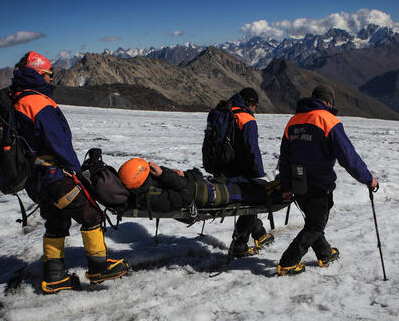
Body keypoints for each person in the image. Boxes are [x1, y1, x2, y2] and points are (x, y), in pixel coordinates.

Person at [10, 51, 129, 293]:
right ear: (37, 73)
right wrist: (76, 172)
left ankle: (54, 277)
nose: (51, 79)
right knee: (91, 215)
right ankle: (99, 267)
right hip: (55, 176)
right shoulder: (37, 101)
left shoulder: (15, 98)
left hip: (36, 179)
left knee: (56, 222)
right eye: (48, 74)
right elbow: (58, 142)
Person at [276, 85, 378, 276]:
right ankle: (288, 262)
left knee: (314, 220)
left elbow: (285, 158)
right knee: (315, 225)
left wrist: (287, 186)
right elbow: (348, 156)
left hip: (299, 182)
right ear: (328, 101)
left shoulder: (293, 121)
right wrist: (368, 179)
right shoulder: (327, 120)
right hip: (319, 182)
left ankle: (325, 254)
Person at [216, 88, 274, 258]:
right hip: (239, 170)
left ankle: (259, 233)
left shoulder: (223, 112)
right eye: (255, 105)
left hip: (221, 168)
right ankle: (239, 245)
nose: (255, 109)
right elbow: (252, 149)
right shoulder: (246, 118)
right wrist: (259, 174)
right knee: (252, 201)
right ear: (250, 103)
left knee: (247, 202)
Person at [117, 158, 277, 212]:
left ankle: (268, 183)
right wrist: (167, 175)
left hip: (202, 185)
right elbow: (185, 197)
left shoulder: (147, 185)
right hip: (207, 195)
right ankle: (276, 191)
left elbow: (177, 186)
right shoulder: (154, 196)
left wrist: (167, 173)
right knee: (248, 192)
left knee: (241, 182)